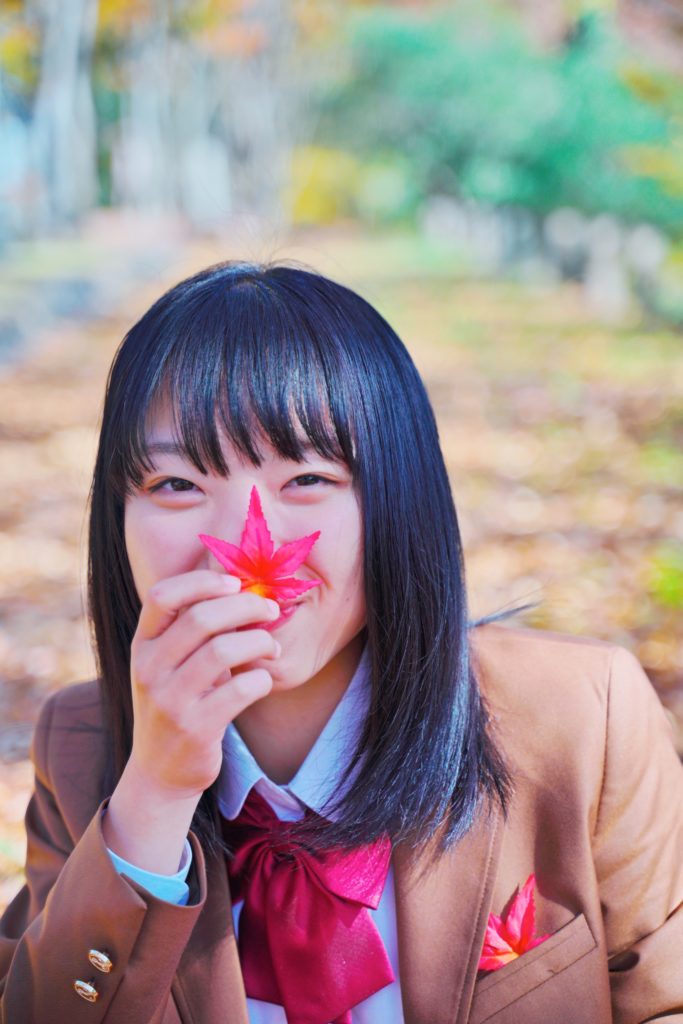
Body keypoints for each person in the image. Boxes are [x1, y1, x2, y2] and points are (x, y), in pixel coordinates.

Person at [0, 260, 681, 1024]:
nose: (244, 548)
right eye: (176, 486)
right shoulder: (81, 750)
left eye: (307, 479)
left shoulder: (582, 721)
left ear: (398, 495)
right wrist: (153, 797)